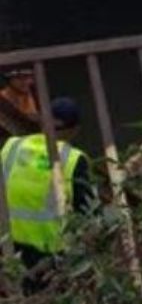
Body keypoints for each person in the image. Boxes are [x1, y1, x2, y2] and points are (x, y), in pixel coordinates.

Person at [1, 97, 93, 273]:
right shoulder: (73, 159)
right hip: (48, 255)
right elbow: (86, 212)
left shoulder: (12, 145)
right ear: (74, 130)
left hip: (7, 247)